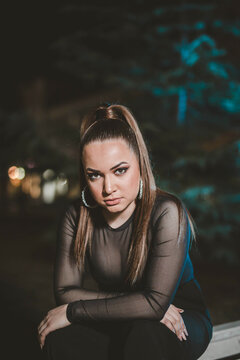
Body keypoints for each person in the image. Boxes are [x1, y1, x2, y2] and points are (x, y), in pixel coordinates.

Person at [37, 103, 213, 360]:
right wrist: (140, 305)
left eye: (120, 170)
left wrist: (73, 311)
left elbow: (155, 305)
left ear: (139, 164)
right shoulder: (75, 216)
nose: (108, 188)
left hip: (179, 318)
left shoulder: (167, 211)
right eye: (95, 175)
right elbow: (65, 292)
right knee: (60, 339)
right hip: (120, 317)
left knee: (145, 332)